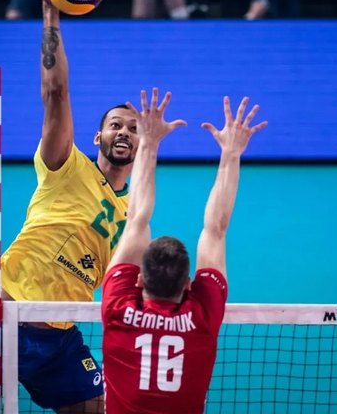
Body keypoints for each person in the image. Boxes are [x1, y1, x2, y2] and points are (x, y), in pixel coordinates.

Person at [0, 0, 138, 413]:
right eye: (116, 124)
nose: (124, 131)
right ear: (98, 136)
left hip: (59, 336)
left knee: (94, 409)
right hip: (2, 316)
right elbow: (56, 93)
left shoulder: (132, 208)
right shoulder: (66, 163)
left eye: (132, 128)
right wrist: (50, 11)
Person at [100, 91, 267, 413]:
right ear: (188, 284)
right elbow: (215, 230)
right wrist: (231, 154)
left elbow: (135, 218)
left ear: (138, 282)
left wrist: (148, 142)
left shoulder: (118, 309)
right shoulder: (201, 317)